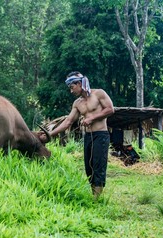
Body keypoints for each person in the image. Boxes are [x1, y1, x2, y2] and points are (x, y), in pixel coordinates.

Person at [40, 71, 114, 199]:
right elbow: (68, 122)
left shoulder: (99, 94)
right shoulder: (77, 103)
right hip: (88, 137)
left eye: (72, 87)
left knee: (98, 166)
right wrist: (50, 134)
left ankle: (96, 200)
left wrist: (92, 118)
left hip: (101, 135)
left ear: (79, 83)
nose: (71, 91)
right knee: (88, 168)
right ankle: (94, 195)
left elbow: (110, 109)